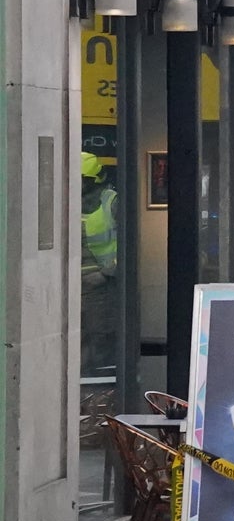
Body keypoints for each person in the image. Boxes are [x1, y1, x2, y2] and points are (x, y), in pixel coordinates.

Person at [78, 151, 120, 371]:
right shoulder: (63, 201)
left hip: (101, 286)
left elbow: (129, 244)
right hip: (70, 285)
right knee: (77, 336)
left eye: (81, 180)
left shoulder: (111, 203)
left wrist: (106, 273)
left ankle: (101, 388)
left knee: (100, 334)